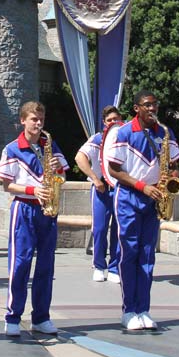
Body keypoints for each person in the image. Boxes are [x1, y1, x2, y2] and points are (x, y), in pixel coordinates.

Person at [106, 91, 179, 331]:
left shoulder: (165, 133)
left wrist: (171, 180)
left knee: (147, 254)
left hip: (154, 199)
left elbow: (175, 165)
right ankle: (129, 310)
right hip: (129, 196)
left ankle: (144, 309)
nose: (152, 109)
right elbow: (114, 169)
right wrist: (142, 186)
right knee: (129, 252)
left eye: (155, 105)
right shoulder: (124, 132)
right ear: (137, 108)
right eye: (147, 105)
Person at [0, 101, 68, 337]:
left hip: (47, 210)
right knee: (20, 263)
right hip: (24, 208)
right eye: (34, 119)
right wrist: (32, 190)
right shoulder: (12, 148)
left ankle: (41, 317)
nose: (38, 123)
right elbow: (7, 185)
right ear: (23, 120)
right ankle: (13, 316)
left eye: (41, 119)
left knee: (46, 266)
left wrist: (58, 168)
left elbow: (63, 176)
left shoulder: (50, 145)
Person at [76, 105, 123, 284]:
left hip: (119, 189)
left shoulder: (124, 137)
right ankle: (98, 266)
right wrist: (95, 178)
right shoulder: (97, 139)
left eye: (116, 119)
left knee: (119, 230)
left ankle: (114, 267)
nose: (113, 122)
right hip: (102, 189)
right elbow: (80, 158)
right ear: (104, 122)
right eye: (109, 120)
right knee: (100, 229)